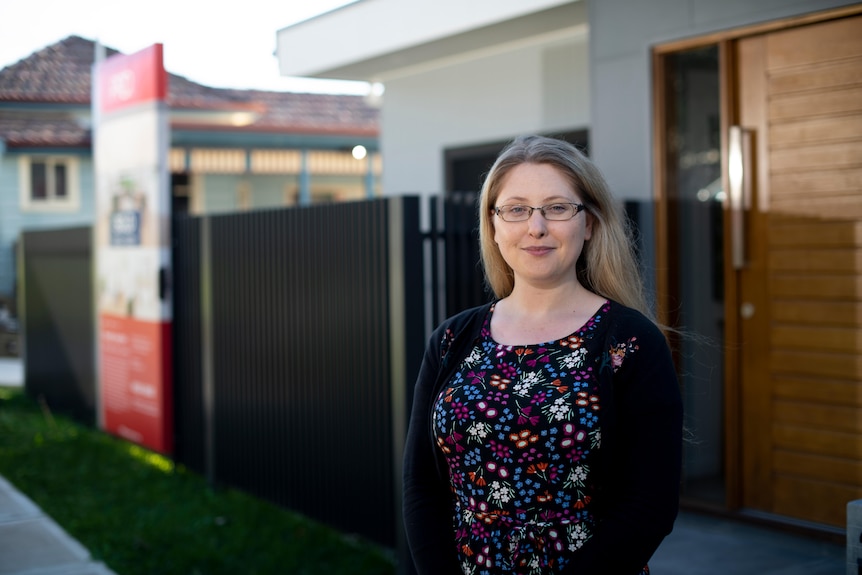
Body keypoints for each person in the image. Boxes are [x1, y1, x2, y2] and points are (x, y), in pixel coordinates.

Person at [402, 135, 683, 574]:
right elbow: (422, 486)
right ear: (493, 226)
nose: (536, 227)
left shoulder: (630, 342)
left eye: (556, 208)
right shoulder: (452, 340)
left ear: (588, 223)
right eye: (516, 209)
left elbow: (649, 505)